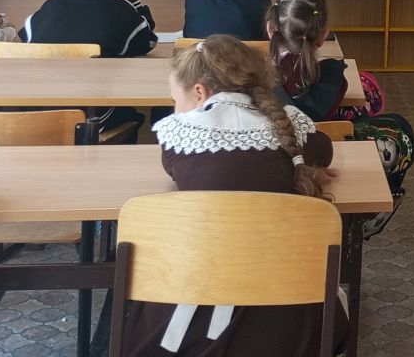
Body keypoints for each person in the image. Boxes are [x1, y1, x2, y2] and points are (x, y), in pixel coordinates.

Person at [115, 35, 345, 357]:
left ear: (200, 92)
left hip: (190, 309)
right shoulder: (289, 123)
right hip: (289, 316)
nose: (175, 109)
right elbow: (324, 151)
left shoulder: (179, 137)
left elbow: (180, 172)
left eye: (175, 99)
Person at [25, 0, 156, 135]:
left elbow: (26, 38)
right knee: (134, 115)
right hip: (93, 116)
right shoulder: (121, 9)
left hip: (41, 110)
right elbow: (148, 41)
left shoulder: (50, 5)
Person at [268, 0, 349, 121]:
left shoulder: (252, 75)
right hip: (315, 135)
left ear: (270, 29)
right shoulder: (333, 77)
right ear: (323, 35)